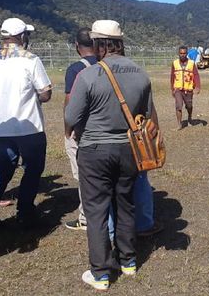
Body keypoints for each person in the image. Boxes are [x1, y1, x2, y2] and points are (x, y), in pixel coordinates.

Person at [65, 20, 158, 291]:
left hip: (94, 150)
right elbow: (148, 114)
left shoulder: (90, 75)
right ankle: (129, 261)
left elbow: (71, 116)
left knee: (96, 211)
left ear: (98, 43)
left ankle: (101, 273)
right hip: (129, 150)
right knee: (126, 204)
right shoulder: (141, 73)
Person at [0, 17, 52, 235]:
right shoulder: (31, 60)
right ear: (21, 36)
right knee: (32, 169)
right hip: (29, 126)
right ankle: (25, 212)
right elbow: (45, 93)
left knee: (3, 168)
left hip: (2, 127)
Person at [63, 27, 98, 230]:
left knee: (83, 175)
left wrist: (68, 131)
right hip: (103, 129)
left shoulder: (75, 69)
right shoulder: (106, 64)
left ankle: (86, 217)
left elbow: (69, 103)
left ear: (77, 46)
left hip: (82, 130)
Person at [170, 46, 201, 130]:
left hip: (188, 89)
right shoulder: (174, 63)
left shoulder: (191, 63)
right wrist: (172, 89)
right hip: (178, 89)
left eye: (184, 53)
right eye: (181, 53)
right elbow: (172, 76)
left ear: (187, 54)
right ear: (178, 53)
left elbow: (196, 75)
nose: (182, 55)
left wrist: (197, 87)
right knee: (178, 106)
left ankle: (189, 117)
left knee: (189, 106)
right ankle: (179, 124)